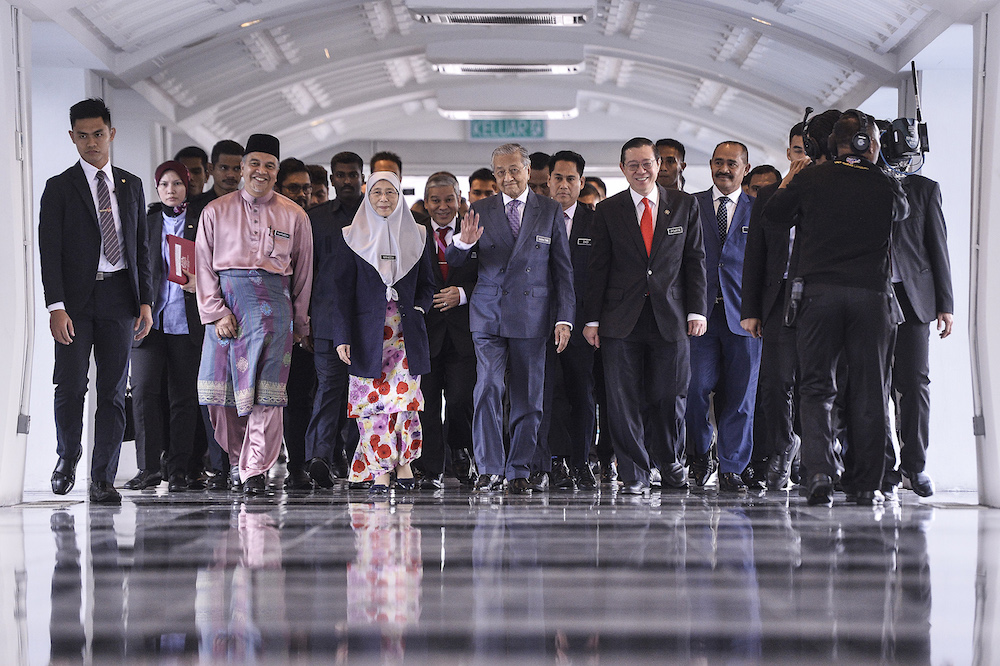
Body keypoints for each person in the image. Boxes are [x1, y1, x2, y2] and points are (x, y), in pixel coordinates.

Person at [764, 110, 909, 506]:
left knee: (816, 387)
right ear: (873, 145)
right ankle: (866, 483)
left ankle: (820, 476)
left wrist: (794, 177)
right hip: (871, 298)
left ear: (827, 145)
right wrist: (877, 169)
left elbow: (773, 218)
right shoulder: (885, 183)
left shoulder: (811, 179)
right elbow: (902, 214)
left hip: (819, 296)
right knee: (869, 390)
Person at [39, 97, 154, 504]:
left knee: (112, 390)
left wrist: (145, 302)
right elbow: (48, 251)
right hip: (74, 301)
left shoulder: (131, 184)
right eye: (83, 136)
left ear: (111, 134)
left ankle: (103, 478)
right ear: (72, 137)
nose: (92, 143)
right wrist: (56, 307)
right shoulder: (59, 188)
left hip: (120, 297)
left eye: (98, 134)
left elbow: (141, 247)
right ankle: (67, 457)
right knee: (71, 386)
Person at [447, 142, 575, 494]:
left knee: (528, 397)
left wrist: (564, 319)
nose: (507, 178)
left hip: (533, 315)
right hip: (487, 313)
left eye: (513, 170)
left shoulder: (548, 210)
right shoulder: (479, 209)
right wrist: (462, 244)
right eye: (500, 172)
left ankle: (518, 468)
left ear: (528, 169)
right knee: (487, 387)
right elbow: (457, 265)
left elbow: (563, 271)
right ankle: (489, 468)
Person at [584, 137, 707, 496]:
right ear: (622, 169)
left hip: (672, 316)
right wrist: (591, 320)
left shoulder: (684, 205)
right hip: (620, 318)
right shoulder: (608, 210)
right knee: (622, 399)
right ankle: (634, 471)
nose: (641, 171)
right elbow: (598, 268)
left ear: (660, 165)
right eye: (633, 165)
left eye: (647, 163)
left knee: (670, 394)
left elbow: (695, 261)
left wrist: (697, 310)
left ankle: (669, 460)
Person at [195, 133, 314, 495]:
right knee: (220, 397)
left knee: (268, 396)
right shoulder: (215, 210)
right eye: (255, 164)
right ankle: (237, 461)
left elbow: (304, 272)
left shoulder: (294, 214)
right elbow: (202, 266)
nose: (261, 171)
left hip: (275, 312)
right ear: (242, 167)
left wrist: (300, 321)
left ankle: (255, 469)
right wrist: (215, 314)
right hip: (227, 309)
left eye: (270, 166)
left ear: (277, 172)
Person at [741, 111, 840, 491]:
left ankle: (820, 455)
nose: (802, 158)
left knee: (815, 380)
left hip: (818, 292)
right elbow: (755, 255)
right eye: (796, 151)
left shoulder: (830, 188)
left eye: (808, 152)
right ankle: (784, 446)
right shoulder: (770, 195)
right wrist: (751, 310)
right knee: (775, 380)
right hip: (778, 295)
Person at [331, 171, 435, 495]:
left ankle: (404, 464)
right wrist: (342, 336)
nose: (384, 199)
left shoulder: (418, 233)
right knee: (372, 405)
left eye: (390, 192)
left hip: (405, 336)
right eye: (377, 192)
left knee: (405, 403)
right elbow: (341, 291)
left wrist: (419, 309)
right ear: (368, 196)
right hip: (367, 335)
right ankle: (378, 471)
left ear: (399, 195)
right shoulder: (351, 235)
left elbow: (428, 285)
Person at [687, 141, 760, 492]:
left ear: (745, 168)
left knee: (740, 395)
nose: (724, 169)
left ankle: (732, 465)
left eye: (732, 163)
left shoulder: (759, 210)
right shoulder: (690, 206)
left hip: (744, 318)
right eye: (718, 162)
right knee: (694, 389)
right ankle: (701, 455)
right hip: (698, 317)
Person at [127, 161, 204, 493]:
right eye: (164, 185)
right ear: (157, 189)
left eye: (177, 183)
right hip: (149, 322)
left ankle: (179, 469)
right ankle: (147, 468)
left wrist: (202, 284)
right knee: (144, 392)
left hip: (187, 322)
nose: (171, 190)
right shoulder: (147, 222)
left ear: (188, 186)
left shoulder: (202, 222)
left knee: (183, 398)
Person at [885, 170, 954, 497]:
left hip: (915, 299)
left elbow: (937, 243)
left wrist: (945, 303)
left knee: (914, 383)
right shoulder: (863, 182)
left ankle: (914, 465)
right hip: (872, 295)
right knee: (872, 385)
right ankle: (883, 467)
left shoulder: (925, 190)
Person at [534, 150, 598, 490]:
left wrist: (595, 321)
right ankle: (554, 462)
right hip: (542, 322)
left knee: (582, 394)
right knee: (549, 393)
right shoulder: (536, 217)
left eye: (571, 179)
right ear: (548, 180)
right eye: (557, 178)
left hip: (584, 325)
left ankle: (582, 461)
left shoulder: (595, 220)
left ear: (581, 182)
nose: (563, 185)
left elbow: (603, 274)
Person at [186, 138, 244, 490]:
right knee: (207, 395)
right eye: (224, 167)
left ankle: (236, 462)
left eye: (238, 168)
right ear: (211, 170)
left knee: (237, 393)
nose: (231, 174)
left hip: (242, 315)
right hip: (199, 314)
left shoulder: (251, 206)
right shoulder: (196, 209)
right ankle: (209, 464)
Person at [306, 151, 366, 486]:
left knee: (362, 392)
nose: (346, 180)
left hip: (367, 323)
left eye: (352, 175)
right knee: (329, 390)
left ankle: (361, 461)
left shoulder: (375, 215)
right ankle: (319, 458)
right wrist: (305, 320)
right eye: (340, 175)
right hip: (326, 322)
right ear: (331, 180)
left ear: (362, 177)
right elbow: (306, 272)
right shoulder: (316, 218)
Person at [417, 172, 479, 490]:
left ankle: (459, 449)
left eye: (449, 200)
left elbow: (488, 276)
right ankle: (431, 468)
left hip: (463, 332)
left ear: (460, 200)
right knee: (426, 403)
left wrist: (462, 293)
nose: (443, 207)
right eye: (436, 200)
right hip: (425, 332)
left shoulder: (475, 233)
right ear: (426, 203)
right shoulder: (413, 234)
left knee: (458, 399)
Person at [275, 157, 316, 489]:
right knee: (294, 397)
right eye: (294, 188)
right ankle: (297, 465)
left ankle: (321, 460)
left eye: (306, 188)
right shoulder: (273, 222)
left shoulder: (321, 221)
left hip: (322, 324)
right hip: (282, 323)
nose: (302, 194)